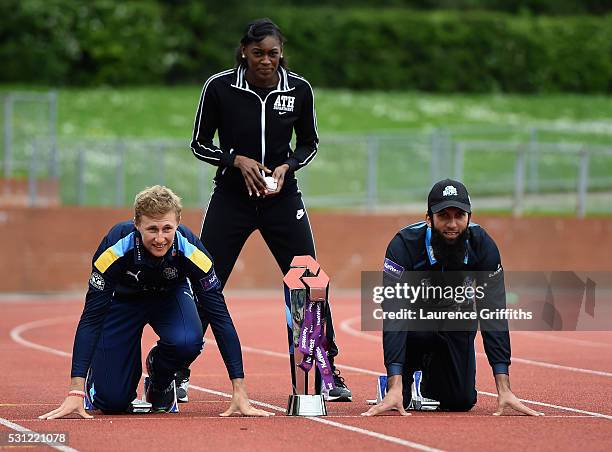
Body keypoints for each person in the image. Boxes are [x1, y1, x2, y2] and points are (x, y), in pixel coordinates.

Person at [187, 18, 351, 402]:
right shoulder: (220, 87)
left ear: (282, 54)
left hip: (282, 201)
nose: (265, 61)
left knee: (310, 282)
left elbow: (309, 143)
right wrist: (234, 161)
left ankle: (325, 370)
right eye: (258, 53)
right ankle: (179, 367)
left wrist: (288, 165)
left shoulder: (299, 89)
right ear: (244, 51)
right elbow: (198, 143)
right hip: (231, 200)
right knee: (206, 282)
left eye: (272, 54)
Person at [39, 185, 272, 419]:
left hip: (169, 297)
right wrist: (75, 391)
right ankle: (97, 379)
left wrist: (239, 389)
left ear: (178, 223)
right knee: (112, 402)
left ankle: (159, 378)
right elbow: (91, 318)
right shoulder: (114, 248)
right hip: (123, 302)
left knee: (189, 341)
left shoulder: (193, 252)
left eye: (167, 229)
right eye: (152, 229)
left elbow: (220, 317)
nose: (160, 239)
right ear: (137, 224)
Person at [362, 179, 543, 416]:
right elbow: (395, 312)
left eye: (459, 215)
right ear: (429, 218)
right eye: (444, 216)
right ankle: (397, 383)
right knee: (400, 399)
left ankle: (425, 382)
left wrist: (504, 388)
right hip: (414, 328)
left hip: (456, 325)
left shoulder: (483, 246)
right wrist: (395, 380)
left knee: (461, 401)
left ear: (469, 217)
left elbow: (493, 313)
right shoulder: (403, 245)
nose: (452, 224)